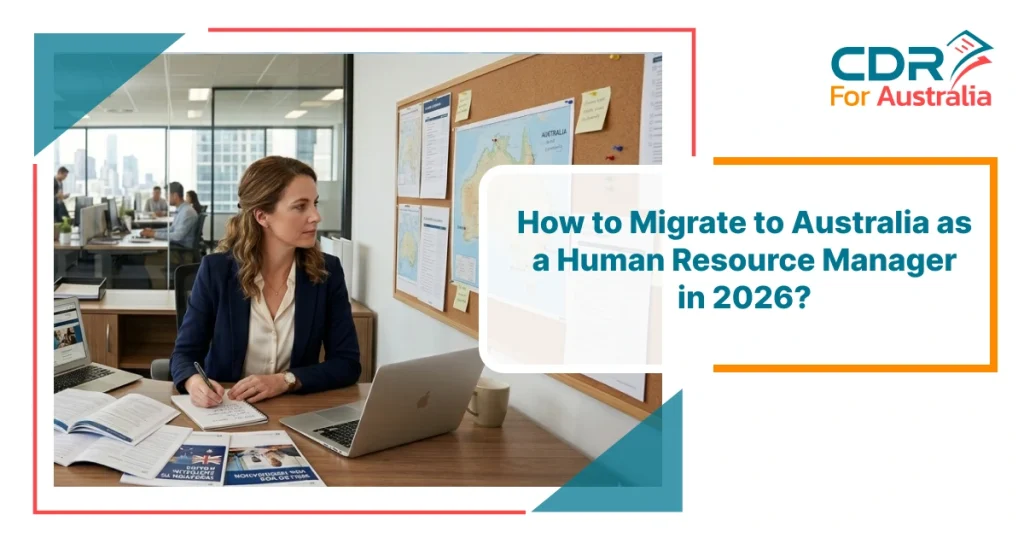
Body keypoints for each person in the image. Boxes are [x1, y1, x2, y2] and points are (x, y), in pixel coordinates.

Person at [169, 156, 360, 408]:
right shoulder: (216, 271)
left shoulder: (327, 272)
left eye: (314, 204)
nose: (316, 216)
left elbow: (347, 363)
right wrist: (195, 383)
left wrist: (285, 380)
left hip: (293, 411)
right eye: (300, 206)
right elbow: (184, 355)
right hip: (225, 410)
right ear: (262, 216)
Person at [140, 182, 197, 248]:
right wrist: (153, 231)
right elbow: (172, 229)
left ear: (175, 196)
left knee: (145, 256)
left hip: (181, 252)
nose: (166, 198)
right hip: (176, 247)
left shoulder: (187, 212)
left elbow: (177, 237)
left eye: (167, 195)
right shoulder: (181, 209)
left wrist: (153, 234)